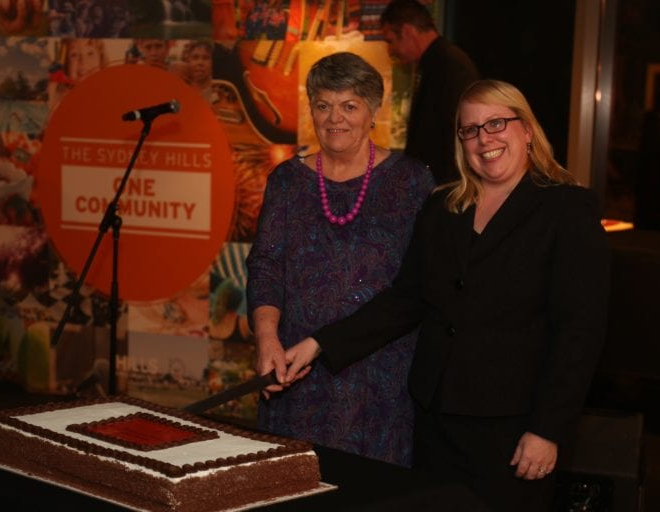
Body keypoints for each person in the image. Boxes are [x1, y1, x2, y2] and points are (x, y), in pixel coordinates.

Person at [281, 79, 610, 511]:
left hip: (513, 429)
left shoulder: (567, 210)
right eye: (470, 129)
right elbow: (405, 300)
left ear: (527, 130)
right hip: (436, 422)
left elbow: (579, 334)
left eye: (496, 124)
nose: (484, 139)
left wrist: (548, 430)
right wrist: (320, 343)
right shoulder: (443, 208)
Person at [246, 51, 435, 467]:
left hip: (382, 377)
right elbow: (265, 266)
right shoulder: (287, 181)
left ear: (374, 112)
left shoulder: (411, 181)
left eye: (350, 106)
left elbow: (419, 287)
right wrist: (266, 338)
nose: (335, 118)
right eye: (323, 105)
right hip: (296, 371)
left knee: (372, 490)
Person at [380, 0, 480, 185]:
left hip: (446, 184)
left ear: (407, 31)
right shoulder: (435, 62)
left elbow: (459, 132)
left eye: (390, 41)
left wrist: (447, 189)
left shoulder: (450, 65)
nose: (389, 50)